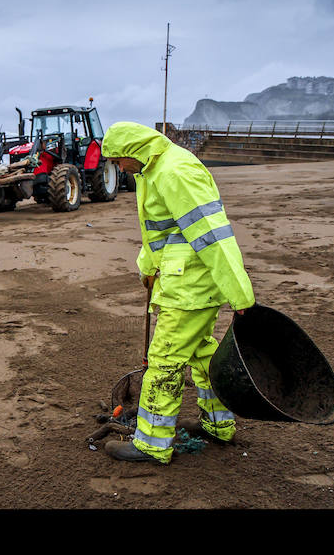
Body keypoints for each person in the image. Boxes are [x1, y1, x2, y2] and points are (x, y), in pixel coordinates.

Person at [100, 122, 255, 465]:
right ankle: (218, 425)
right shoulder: (152, 171)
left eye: (117, 159)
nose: (118, 167)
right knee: (202, 355)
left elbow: (212, 235)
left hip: (190, 289)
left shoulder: (175, 171)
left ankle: (153, 444)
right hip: (182, 282)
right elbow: (159, 232)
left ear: (134, 152)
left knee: (165, 362)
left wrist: (241, 297)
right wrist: (148, 268)